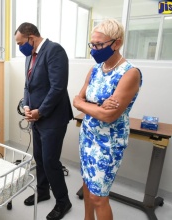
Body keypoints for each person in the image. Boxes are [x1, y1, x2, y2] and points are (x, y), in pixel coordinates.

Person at [73, 19, 142, 220]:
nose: (94, 49)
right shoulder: (95, 70)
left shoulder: (130, 73)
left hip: (109, 142)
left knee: (98, 197)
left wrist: (85, 106)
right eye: (92, 45)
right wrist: (95, 106)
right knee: (86, 184)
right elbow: (78, 98)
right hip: (88, 135)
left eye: (99, 45)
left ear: (117, 43)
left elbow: (109, 115)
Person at [14, 22, 73, 220]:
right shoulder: (29, 56)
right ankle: (43, 191)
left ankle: (63, 202)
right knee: (39, 158)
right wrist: (28, 107)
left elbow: (58, 88)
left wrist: (41, 112)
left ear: (31, 37)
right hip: (36, 117)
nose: (19, 47)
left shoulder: (54, 51)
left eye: (20, 42)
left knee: (50, 161)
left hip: (53, 118)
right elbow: (27, 85)